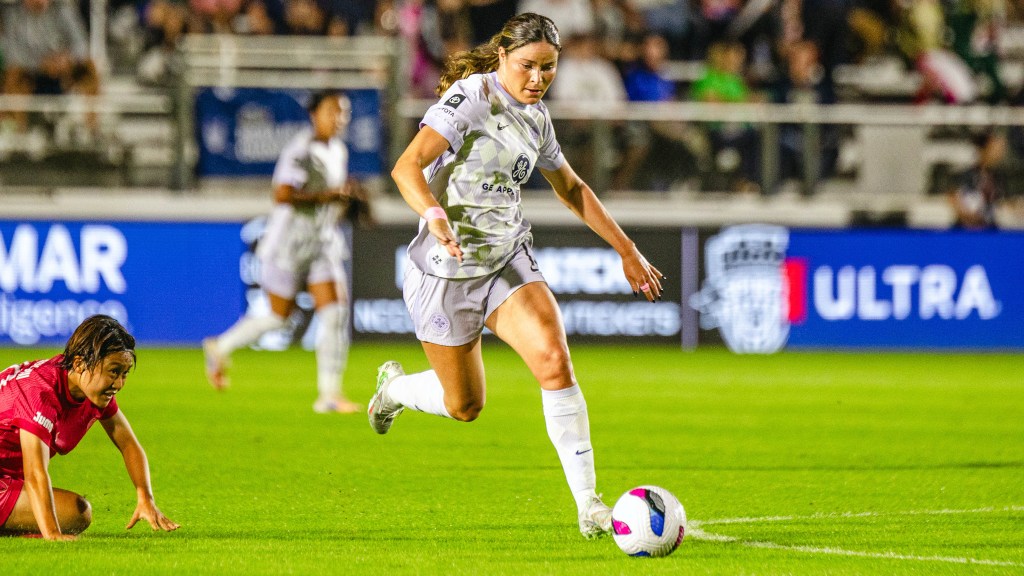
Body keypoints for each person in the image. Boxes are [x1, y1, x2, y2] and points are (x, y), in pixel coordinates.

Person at [366, 12, 664, 539]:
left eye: (548, 68)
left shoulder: (537, 117)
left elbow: (571, 188)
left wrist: (627, 249)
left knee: (554, 359)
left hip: (506, 257)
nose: (538, 78)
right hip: (447, 269)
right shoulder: (470, 98)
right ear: (502, 56)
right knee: (465, 405)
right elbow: (405, 166)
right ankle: (395, 391)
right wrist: (434, 215)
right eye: (528, 65)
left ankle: (589, 506)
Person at [203, 90, 365, 414]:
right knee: (278, 318)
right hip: (287, 244)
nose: (339, 118)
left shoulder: (338, 150)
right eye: (332, 111)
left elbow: (331, 196)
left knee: (335, 314)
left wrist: (348, 201)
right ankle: (220, 346)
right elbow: (282, 194)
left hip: (321, 242)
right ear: (314, 114)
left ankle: (329, 395)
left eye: (343, 112)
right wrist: (327, 196)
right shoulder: (300, 150)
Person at [0, 315, 179, 540]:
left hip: (8, 478)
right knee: (68, 516)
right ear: (79, 363)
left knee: (77, 513)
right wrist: (52, 533)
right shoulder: (39, 392)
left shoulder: (88, 387)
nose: (119, 384)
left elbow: (129, 445)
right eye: (113, 371)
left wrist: (145, 498)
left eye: (124, 374)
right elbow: (35, 473)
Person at [0, 0, 102, 134]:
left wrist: (66, 59)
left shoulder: (63, 11)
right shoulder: (13, 15)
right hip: (31, 73)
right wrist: (42, 64)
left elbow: (81, 45)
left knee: (89, 68)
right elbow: (12, 52)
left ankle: (91, 128)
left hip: (64, 71)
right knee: (13, 74)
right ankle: (19, 132)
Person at [947, 130, 1006, 230]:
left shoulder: (998, 176)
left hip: (989, 229)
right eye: (994, 149)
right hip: (966, 229)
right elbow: (952, 197)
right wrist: (968, 217)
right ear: (984, 149)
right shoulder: (965, 175)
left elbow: (1001, 203)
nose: (999, 153)